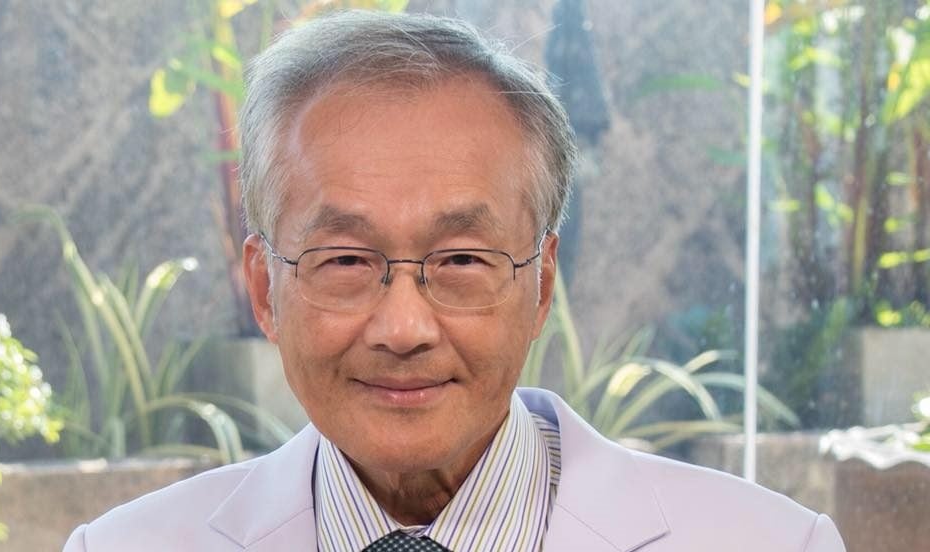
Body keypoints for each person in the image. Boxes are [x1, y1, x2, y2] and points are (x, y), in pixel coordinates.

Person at [64, 10, 846, 552]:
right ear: (266, 290)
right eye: (347, 261)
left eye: (462, 261)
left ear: (541, 285)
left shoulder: (775, 543)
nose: (404, 329)